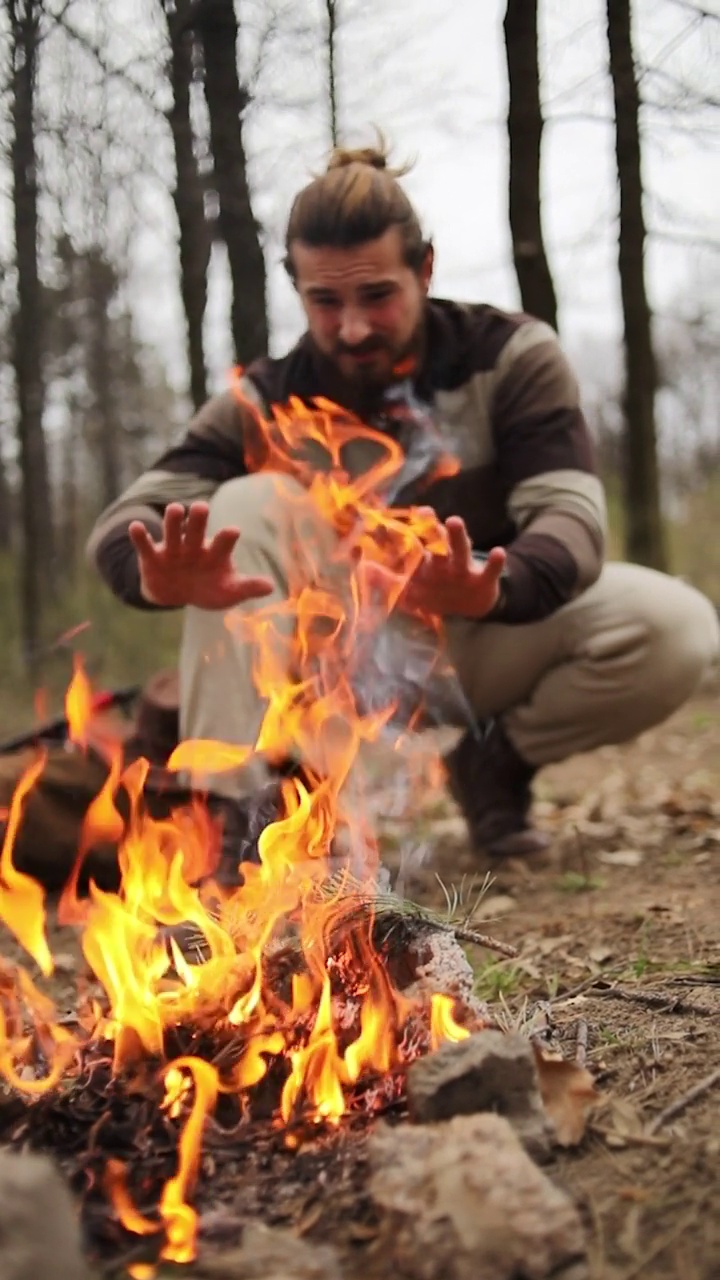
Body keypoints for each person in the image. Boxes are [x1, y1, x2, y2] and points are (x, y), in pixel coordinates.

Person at [87, 144, 719, 861]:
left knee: (676, 627)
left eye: (376, 295)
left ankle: (493, 768)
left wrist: (494, 582)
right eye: (325, 301)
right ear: (298, 287)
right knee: (241, 503)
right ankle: (229, 827)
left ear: (424, 268)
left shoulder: (510, 357)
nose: (352, 327)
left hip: (475, 633)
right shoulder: (267, 396)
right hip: (332, 663)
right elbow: (128, 519)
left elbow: (572, 520)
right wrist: (151, 574)